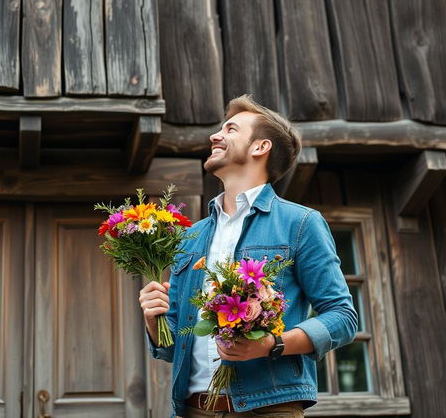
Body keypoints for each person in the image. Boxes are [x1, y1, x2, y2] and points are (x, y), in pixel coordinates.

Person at [139, 95, 357, 418]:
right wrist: (153, 320)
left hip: (269, 409)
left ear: (260, 147)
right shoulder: (190, 238)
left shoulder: (301, 224)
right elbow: (173, 346)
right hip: (192, 409)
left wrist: (272, 343)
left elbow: (343, 317)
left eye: (230, 129)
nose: (215, 136)